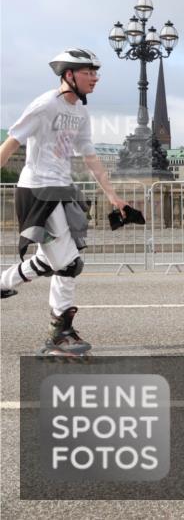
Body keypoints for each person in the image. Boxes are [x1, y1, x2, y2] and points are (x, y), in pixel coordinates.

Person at [0, 49, 128, 358]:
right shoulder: (45, 106)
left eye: (96, 72)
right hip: (37, 192)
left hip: (62, 191)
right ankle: (59, 334)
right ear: (69, 75)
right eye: (88, 72)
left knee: (51, 260)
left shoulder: (81, 113)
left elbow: (90, 156)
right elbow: (12, 140)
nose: (95, 77)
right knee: (68, 263)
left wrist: (112, 194)